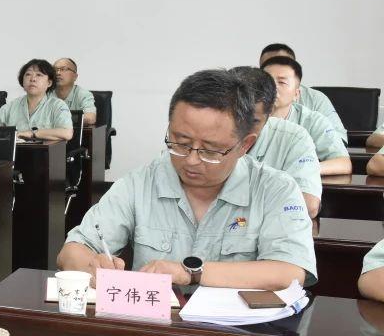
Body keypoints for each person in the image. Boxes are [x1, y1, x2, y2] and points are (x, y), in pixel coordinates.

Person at [58, 70, 316, 291]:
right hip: (155, 327)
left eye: (210, 150)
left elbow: (290, 272)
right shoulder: (141, 182)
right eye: (180, 143)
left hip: (238, 331)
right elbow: (72, 251)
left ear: (245, 145)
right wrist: (92, 267)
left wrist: (190, 272)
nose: (191, 160)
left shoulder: (275, 189)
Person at [229, 66, 323, 217]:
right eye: (236, 117)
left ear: (270, 112)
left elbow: (308, 204)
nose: (242, 128)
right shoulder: (204, 133)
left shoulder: (294, 137)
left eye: (252, 121)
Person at [261, 56, 351, 176]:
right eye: (267, 82)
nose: (272, 87)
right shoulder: (243, 117)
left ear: (296, 94)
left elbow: (343, 163)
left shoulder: (313, 121)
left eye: (282, 82)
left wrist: (299, 170)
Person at [258, 43, 347, 143]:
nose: (273, 86)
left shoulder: (316, 101)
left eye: (282, 62)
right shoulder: (249, 101)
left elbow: (337, 141)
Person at [0, 59, 74, 141]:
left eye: (39, 75)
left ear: (49, 83)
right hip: (15, 149)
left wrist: (32, 133)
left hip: (45, 149)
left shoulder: (57, 105)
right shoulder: (10, 106)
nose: (33, 79)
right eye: (28, 74)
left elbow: (67, 133)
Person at [53, 57, 96, 126]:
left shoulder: (83, 94)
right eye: (55, 70)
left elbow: (90, 118)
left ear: (75, 76)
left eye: (63, 69)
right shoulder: (44, 93)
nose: (58, 73)